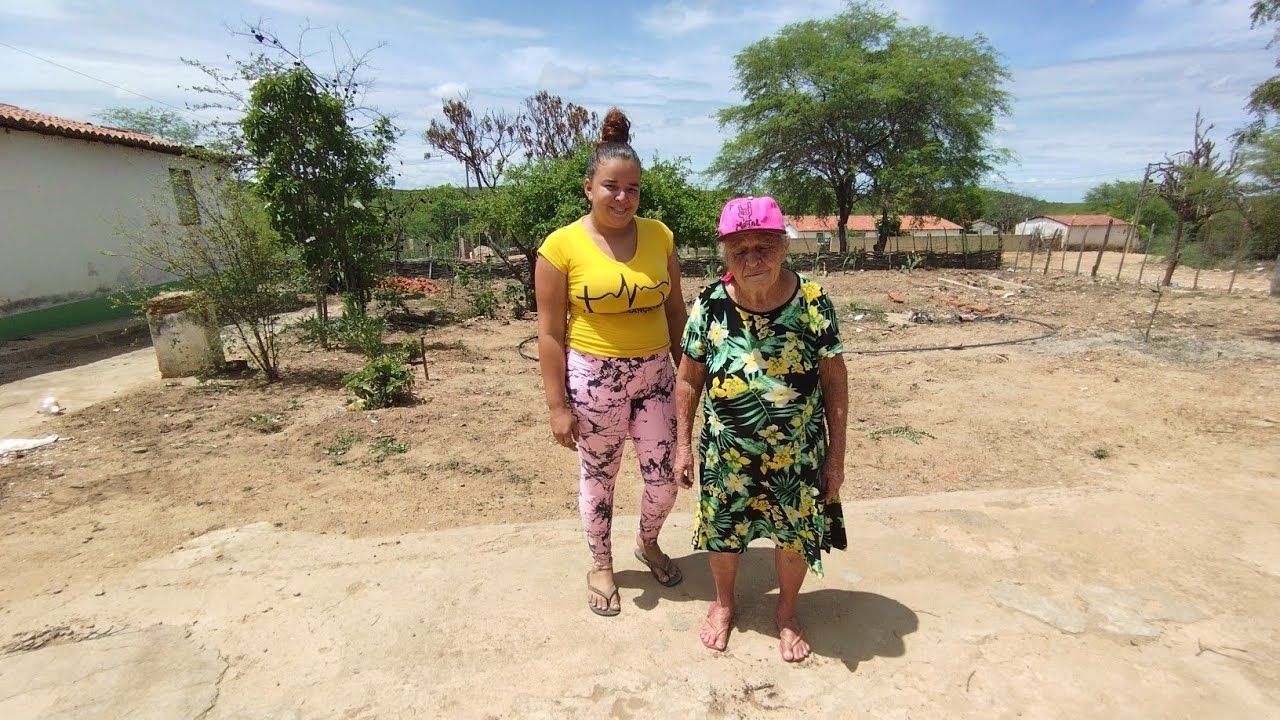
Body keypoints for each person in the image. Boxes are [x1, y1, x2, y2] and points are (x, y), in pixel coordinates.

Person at [673, 195, 848, 662]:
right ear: (725, 255)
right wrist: (682, 447)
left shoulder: (812, 302)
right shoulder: (709, 304)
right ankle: (723, 603)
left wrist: (836, 459)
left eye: (764, 247)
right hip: (726, 457)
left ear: (784, 247)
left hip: (797, 457)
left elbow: (835, 380)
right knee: (723, 532)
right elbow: (688, 380)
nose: (752, 260)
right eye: (739, 250)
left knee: (793, 534)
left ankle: (786, 611)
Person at [534, 108, 690, 617]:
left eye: (633, 189)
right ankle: (601, 564)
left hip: (657, 377)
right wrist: (557, 407)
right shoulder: (560, 247)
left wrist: (690, 376)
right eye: (611, 187)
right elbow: (550, 334)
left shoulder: (660, 236)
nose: (623, 198)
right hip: (594, 380)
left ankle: (648, 541)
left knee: (664, 478)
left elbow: (675, 312)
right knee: (599, 477)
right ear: (588, 188)